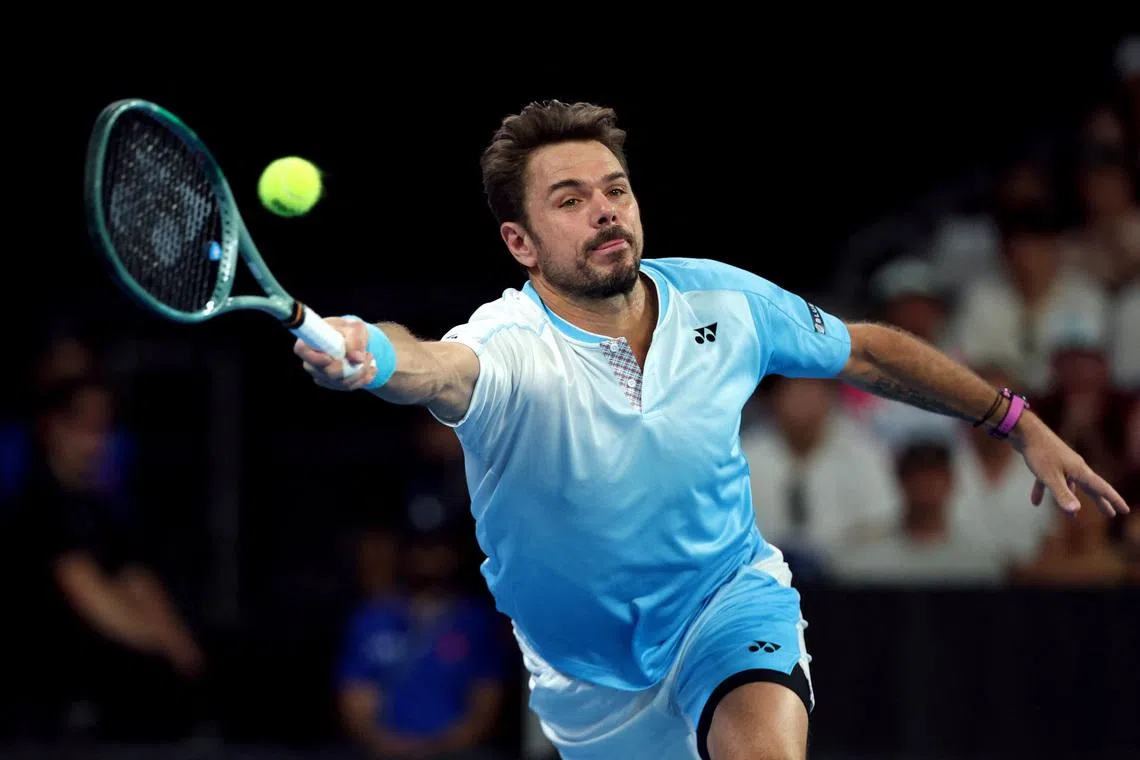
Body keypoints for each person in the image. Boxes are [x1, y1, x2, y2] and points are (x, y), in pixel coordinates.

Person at [293, 101, 1132, 760]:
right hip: (590, 691)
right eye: (570, 198)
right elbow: (433, 365)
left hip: (725, 607)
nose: (604, 211)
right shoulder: (508, 349)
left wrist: (1016, 421)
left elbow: (867, 353)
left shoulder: (720, 302)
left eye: (615, 188)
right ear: (520, 241)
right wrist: (371, 352)